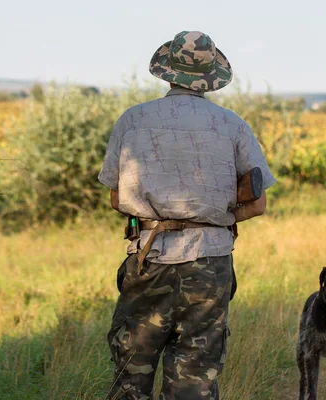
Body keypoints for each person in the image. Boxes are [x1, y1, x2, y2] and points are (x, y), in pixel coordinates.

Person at [98, 30, 276, 400]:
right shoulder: (231, 124)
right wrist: (218, 218)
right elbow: (257, 203)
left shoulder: (132, 120)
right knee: (195, 378)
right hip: (210, 264)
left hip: (148, 258)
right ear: (210, 77)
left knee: (131, 374)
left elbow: (116, 198)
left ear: (166, 72)